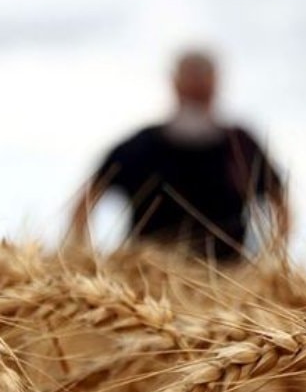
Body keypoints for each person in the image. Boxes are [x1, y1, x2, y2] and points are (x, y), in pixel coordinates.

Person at [68, 50, 289, 261]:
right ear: (174, 83)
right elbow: (85, 202)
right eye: (190, 86)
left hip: (228, 283)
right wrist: (85, 260)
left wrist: (267, 263)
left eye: (201, 89)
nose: (195, 93)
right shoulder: (139, 147)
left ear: (215, 84)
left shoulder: (241, 146)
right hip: (145, 284)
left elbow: (281, 204)